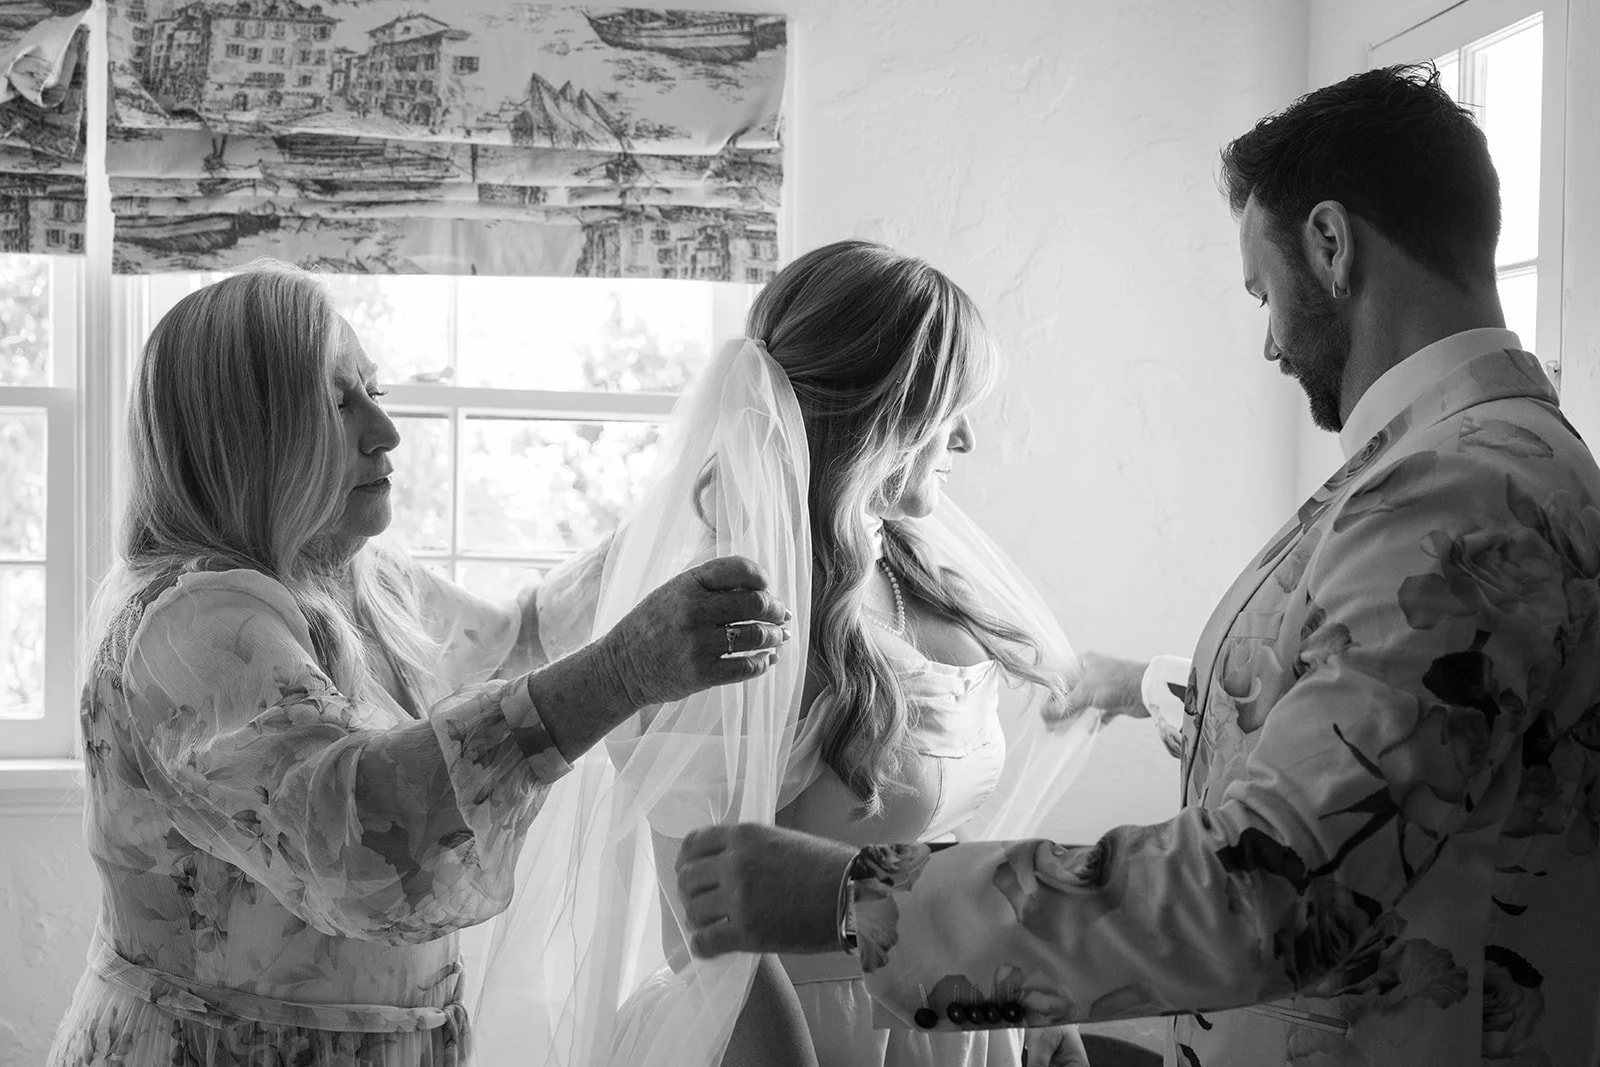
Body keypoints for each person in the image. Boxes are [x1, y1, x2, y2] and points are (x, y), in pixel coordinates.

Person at [673, 64, 1600, 1067]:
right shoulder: (1488, 457)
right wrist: (1149, 686)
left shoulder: (1446, 493)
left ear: (1329, 245)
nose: (1269, 342)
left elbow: (1266, 883)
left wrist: (848, 896)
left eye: (1263, 288)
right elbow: (1391, 736)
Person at [45, 265, 790, 1067]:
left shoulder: (359, 577)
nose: (386, 431)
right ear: (249, 432)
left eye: (375, 390)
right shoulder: (193, 625)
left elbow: (518, 637)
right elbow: (359, 837)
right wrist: (618, 675)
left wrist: (679, 509)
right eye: (339, 402)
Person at [467, 241, 1113, 1067]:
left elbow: (954, 849)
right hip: (812, 1039)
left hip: (961, 1013)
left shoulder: (922, 572)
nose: (970, 440)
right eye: (951, 408)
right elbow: (708, 935)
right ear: (882, 414)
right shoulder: (732, 621)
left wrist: (1031, 994)